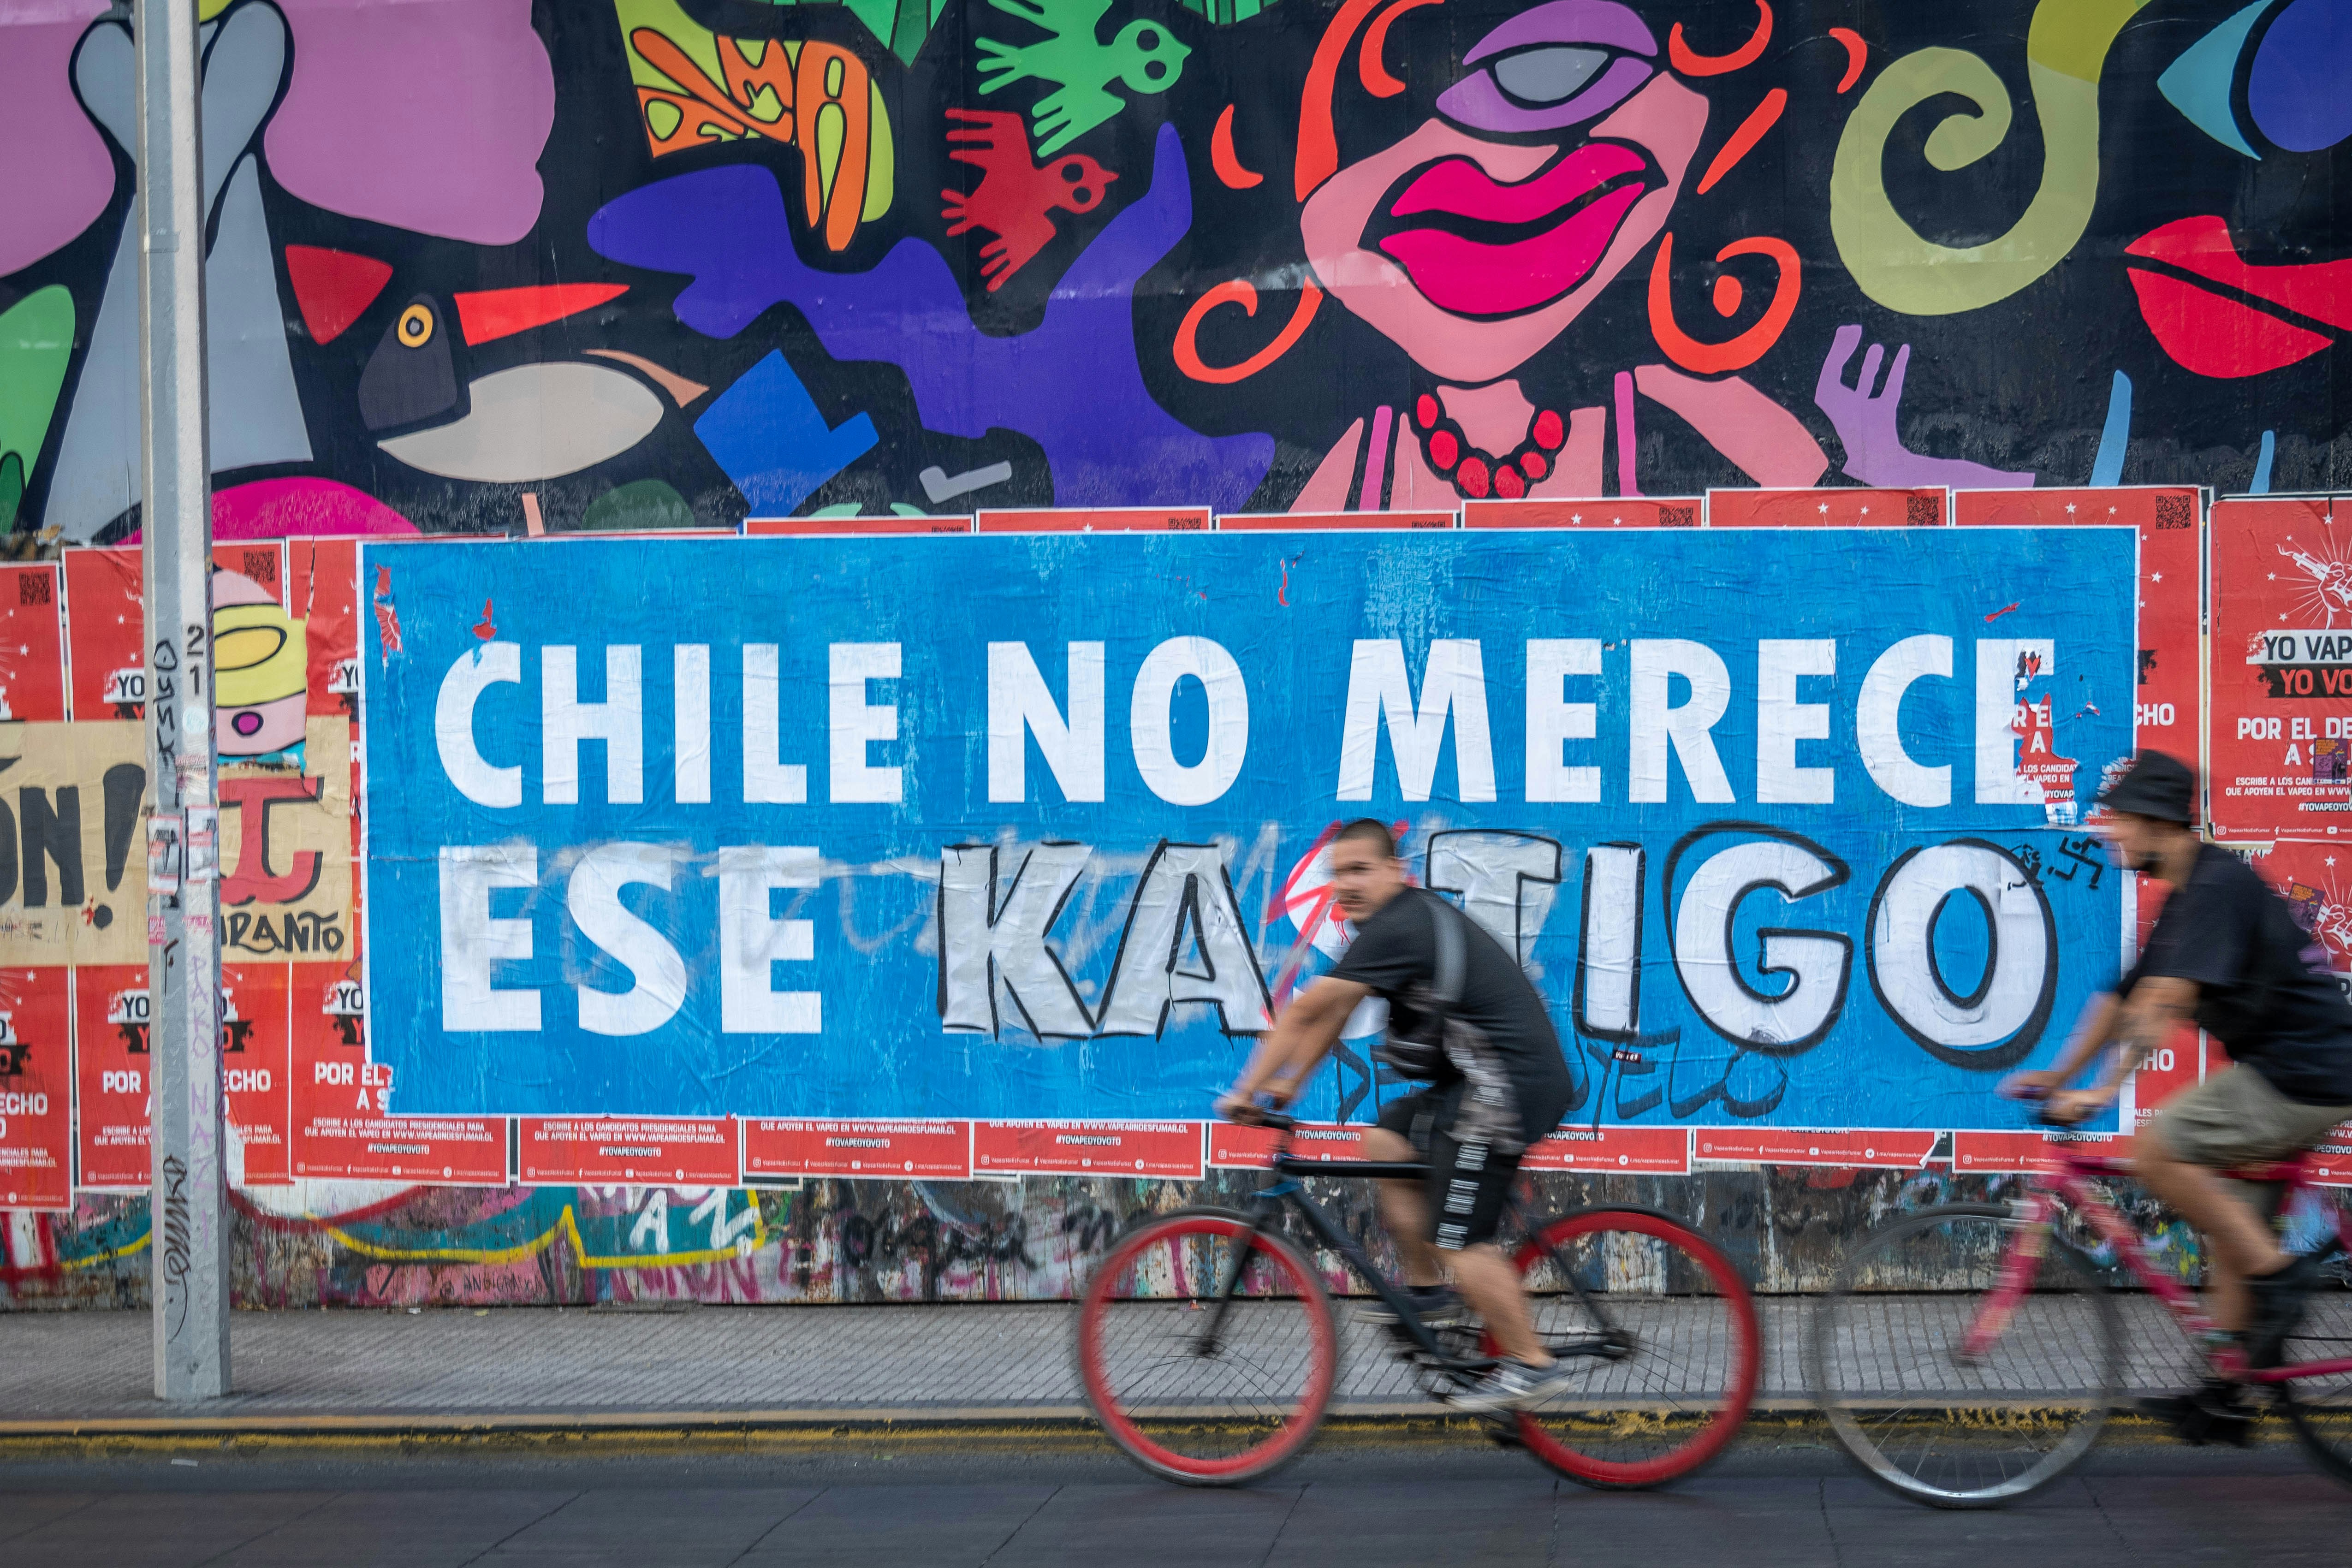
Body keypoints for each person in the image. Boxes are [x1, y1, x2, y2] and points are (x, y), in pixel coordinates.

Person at [2006, 750, 2352, 1439]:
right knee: (2230, 1226)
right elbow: (2123, 996)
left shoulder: (2216, 887)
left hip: (2306, 1075)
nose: (2108, 835)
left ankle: (2283, 1280)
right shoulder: (2189, 892)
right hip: (2294, 1070)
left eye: (2120, 821)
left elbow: (2168, 998)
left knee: (2157, 1149)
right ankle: (2227, 1394)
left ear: (2158, 822)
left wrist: (2101, 1090)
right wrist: (2058, 1074)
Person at [1218, 818, 1577, 1411]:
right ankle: (1428, 1293)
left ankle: (1531, 1364)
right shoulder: (1387, 928)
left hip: (1506, 1087)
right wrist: (1287, 1091)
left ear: (1396, 871)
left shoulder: (1401, 924)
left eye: (1361, 869)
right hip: (1475, 1079)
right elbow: (1335, 1013)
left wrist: (1245, 1091)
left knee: (1459, 1237)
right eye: (1338, 874)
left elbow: (1308, 1010)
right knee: (1384, 1139)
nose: (1347, 884)